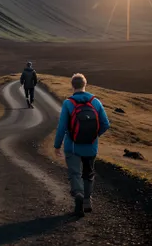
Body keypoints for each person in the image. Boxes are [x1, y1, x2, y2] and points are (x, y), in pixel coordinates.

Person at [54, 73, 110, 217]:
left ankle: (78, 194)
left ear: (72, 85)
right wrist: (94, 136)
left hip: (72, 146)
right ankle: (87, 201)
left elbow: (61, 127)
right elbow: (105, 124)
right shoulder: (95, 102)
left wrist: (57, 145)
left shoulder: (68, 103)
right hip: (91, 146)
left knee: (75, 173)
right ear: (85, 84)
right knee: (88, 173)